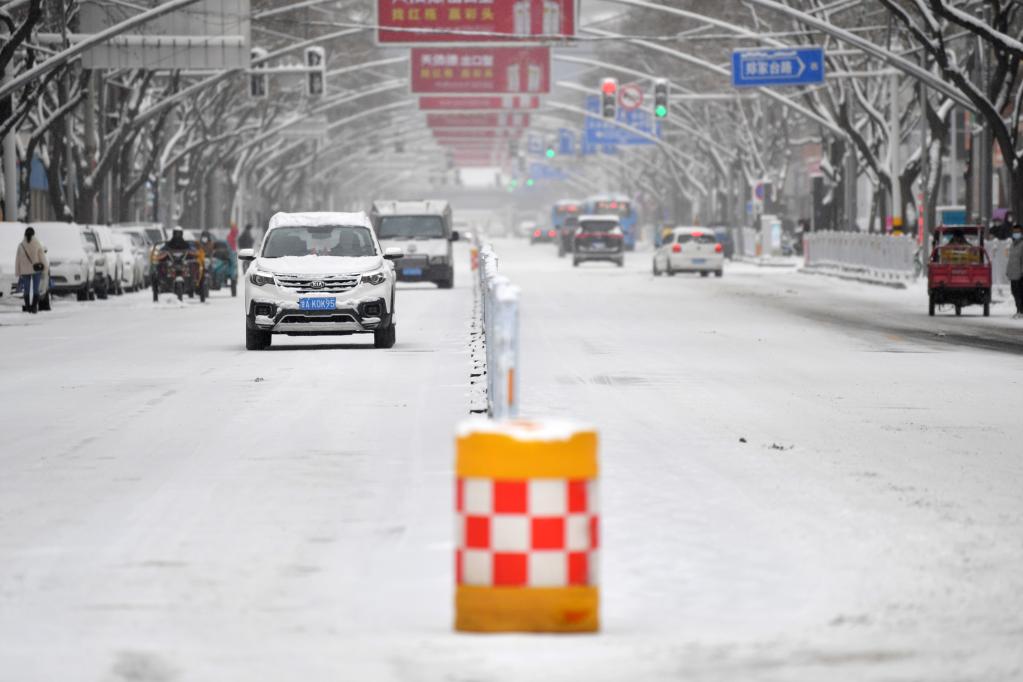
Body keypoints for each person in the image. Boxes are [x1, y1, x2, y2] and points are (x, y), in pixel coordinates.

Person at [15, 226, 46, 313]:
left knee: (26, 289)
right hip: (36, 269)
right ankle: (34, 307)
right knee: (36, 289)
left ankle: (28, 307)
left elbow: (17, 260)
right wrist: (45, 268)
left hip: (24, 271)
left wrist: (18, 272)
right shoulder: (37, 243)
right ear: (33, 234)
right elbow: (42, 257)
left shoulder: (21, 245)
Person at [1007, 224, 1023, 319]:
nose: (1016, 234)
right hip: (1013, 274)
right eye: (1014, 232)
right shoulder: (1013, 245)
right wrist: (1008, 271)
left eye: (1018, 232)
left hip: (1020, 275)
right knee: (1015, 293)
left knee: (1021, 293)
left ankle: (1021, 311)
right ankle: (1018, 310)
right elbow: (1011, 260)